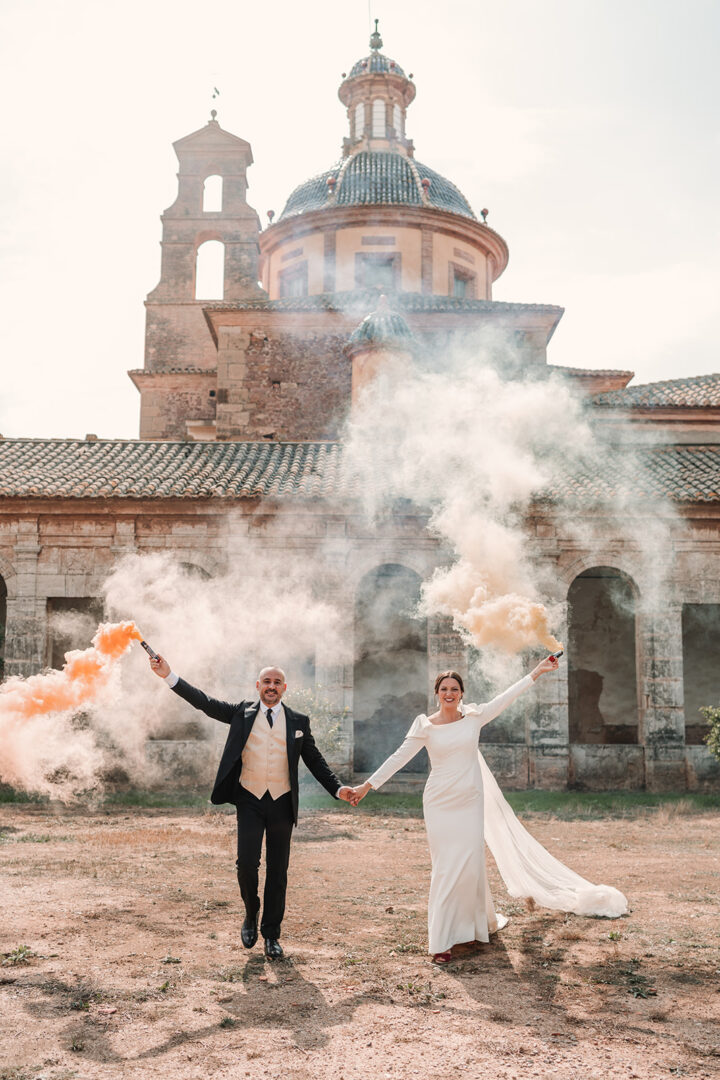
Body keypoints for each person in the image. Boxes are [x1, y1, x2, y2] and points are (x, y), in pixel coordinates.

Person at [350, 658, 627, 963]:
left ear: (462, 693)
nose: (449, 693)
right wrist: (367, 786)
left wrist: (535, 672)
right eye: (444, 689)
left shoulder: (474, 717)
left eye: (454, 688)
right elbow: (398, 757)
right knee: (445, 868)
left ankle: (475, 927)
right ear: (436, 693)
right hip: (439, 802)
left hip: (470, 801)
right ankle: (441, 940)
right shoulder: (424, 725)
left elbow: (505, 698)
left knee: (470, 866)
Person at [149, 656, 356, 960]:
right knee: (246, 864)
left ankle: (271, 934)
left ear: (284, 688)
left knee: (278, 871)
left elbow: (316, 761)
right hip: (250, 798)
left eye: (277, 682)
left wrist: (339, 788)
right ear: (258, 686)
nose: (271, 687)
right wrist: (169, 676)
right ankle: (250, 912)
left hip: (282, 802)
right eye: (266, 682)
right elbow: (204, 702)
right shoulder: (240, 713)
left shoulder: (298, 721)